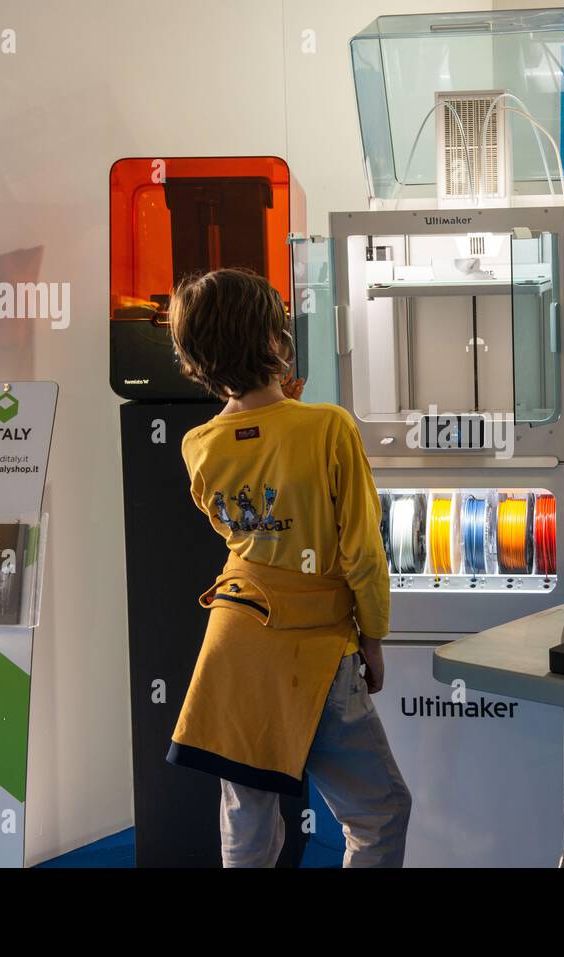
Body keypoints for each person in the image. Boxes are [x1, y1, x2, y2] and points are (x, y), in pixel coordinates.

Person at [164, 268, 410, 868]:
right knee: (378, 812)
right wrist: (373, 637)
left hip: (233, 642)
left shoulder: (198, 444)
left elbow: (234, 531)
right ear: (276, 341)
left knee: (248, 822)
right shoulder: (327, 427)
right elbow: (362, 551)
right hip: (315, 648)